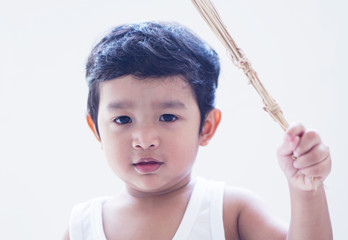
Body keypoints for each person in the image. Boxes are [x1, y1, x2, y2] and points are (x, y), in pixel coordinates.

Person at [64, 21, 332, 240]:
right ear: (96, 129)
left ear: (206, 127)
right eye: (122, 120)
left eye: (167, 117)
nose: (145, 140)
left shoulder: (230, 212)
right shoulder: (81, 227)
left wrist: (306, 191)